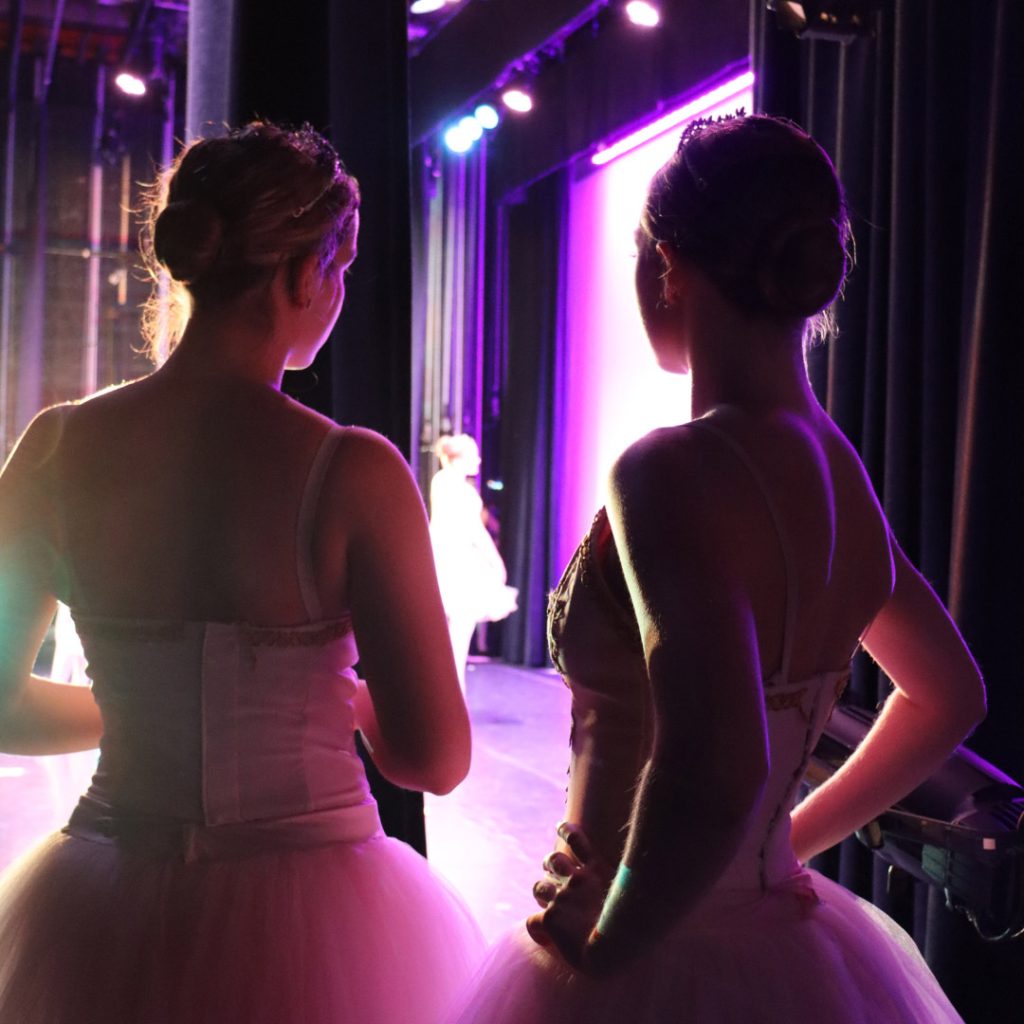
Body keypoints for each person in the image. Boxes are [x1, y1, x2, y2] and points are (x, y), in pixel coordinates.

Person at [450, 114, 985, 1023]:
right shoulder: (838, 470)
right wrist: (786, 847)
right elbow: (950, 696)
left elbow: (717, 758)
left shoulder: (669, 469)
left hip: (657, 953)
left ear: (666, 264)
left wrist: (607, 942)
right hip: (783, 942)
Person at [0, 122, 484, 1024]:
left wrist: (150, 710)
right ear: (307, 273)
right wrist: (342, 702)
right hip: (319, 912)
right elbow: (435, 758)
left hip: (102, 908)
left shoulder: (56, 449)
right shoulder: (351, 471)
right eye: (338, 272)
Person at [429, 434, 517, 690]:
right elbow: (472, 530)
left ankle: (450, 691)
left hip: (451, 557)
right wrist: (495, 559)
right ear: (459, 459)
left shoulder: (446, 483)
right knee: (456, 631)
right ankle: (453, 692)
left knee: (454, 630)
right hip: (455, 560)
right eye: (473, 455)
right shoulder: (451, 485)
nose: (478, 460)